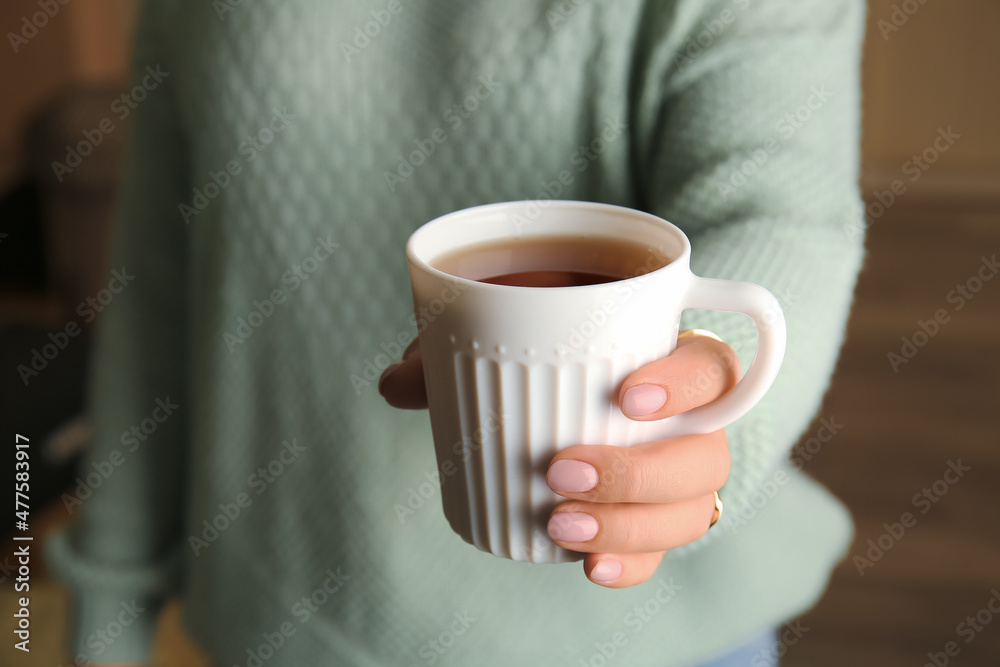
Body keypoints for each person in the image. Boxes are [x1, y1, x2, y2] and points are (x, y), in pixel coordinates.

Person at [47, 0, 866, 665]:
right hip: (282, 612)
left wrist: (707, 396)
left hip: (650, 639)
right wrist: (105, 611)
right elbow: (154, 293)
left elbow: (777, 211)